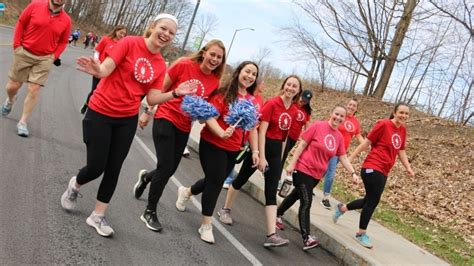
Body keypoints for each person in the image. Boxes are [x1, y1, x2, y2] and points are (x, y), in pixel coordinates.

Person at [60, 14, 194, 237]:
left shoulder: (161, 64)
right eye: (163, 28)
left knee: (114, 168)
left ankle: (98, 216)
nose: (166, 34)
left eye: (171, 33)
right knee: (96, 167)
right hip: (100, 112)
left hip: (127, 119)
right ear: (152, 27)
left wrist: (175, 93)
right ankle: (75, 184)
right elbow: (105, 69)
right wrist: (97, 70)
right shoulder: (130, 43)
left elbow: (151, 99)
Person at [132, 39, 226, 232]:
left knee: (169, 169)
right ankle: (149, 211)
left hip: (184, 126)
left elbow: (203, 116)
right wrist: (147, 111)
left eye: (219, 57)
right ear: (204, 52)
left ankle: (147, 178)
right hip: (165, 117)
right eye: (212, 54)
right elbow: (160, 88)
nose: (214, 59)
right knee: (166, 167)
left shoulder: (215, 82)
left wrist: (206, 116)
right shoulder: (184, 64)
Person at [175, 61, 260, 244]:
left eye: (254, 74)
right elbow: (210, 116)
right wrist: (221, 132)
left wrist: (256, 151)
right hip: (213, 143)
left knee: (216, 179)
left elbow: (253, 128)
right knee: (215, 182)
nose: (250, 76)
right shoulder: (224, 93)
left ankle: (187, 192)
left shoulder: (254, 100)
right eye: (247, 71)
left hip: (233, 148)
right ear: (239, 72)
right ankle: (206, 224)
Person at [217, 75, 302, 248]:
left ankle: (271, 235)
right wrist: (261, 156)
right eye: (288, 84)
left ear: (298, 91)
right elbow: (261, 131)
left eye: (294, 86)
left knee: (271, 193)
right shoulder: (272, 103)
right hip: (261, 149)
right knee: (241, 179)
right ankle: (225, 209)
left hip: (276, 153)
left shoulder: (294, 110)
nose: (291, 88)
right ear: (284, 85)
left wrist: (282, 159)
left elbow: (285, 137)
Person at [276, 105, 359, 250]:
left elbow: (343, 157)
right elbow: (302, 145)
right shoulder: (317, 126)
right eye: (336, 114)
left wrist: (353, 173)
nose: (338, 118)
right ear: (331, 113)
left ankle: (277, 213)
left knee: (296, 195)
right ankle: (306, 237)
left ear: (344, 119)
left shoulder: (339, 137)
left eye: (341, 116)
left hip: (316, 175)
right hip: (303, 169)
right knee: (306, 202)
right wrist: (291, 164)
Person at [333, 102, 414, 249]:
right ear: (394, 112)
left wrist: (408, 167)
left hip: (384, 170)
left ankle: (343, 208)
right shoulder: (383, 124)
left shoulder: (402, 130)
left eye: (406, 113)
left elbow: (401, 150)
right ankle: (360, 233)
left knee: (369, 200)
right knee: (373, 201)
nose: (404, 116)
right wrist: (350, 158)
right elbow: (366, 143)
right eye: (401, 112)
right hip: (372, 166)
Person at [1, 0, 71, 137]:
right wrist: (17, 45)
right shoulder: (35, 5)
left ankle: (23, 122)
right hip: (24, 52)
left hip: (44, 59)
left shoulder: (66, 20)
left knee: (34, 89)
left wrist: (54, 56)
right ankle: (10, 100)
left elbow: (63, 41)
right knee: (12, 86)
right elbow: (21, 22)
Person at [320, 98, 365, 209]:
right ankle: (325, 198)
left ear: (356, 109)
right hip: (331, 147)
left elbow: (359, 136)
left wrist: (367, 145)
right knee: (330, 172)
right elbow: (328, 126)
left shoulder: (355, 122)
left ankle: (309, 185)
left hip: (342, 152)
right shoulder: (340, 116)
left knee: (324, 170)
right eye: (349, 104)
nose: (351, 107)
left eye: (354, 106)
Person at [222, 78, 266, 189]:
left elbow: (258, 116)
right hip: (234, 134)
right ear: (257, 84)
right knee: (220, 172)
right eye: (262, 84)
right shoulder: (247, 97)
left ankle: (227, 177)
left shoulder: (260, 99)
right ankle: (228, 178)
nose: (264, 86)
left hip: (249, 135)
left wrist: (255, 150)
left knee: (237, 158)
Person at [80, 25, 127, 114]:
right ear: (116, 31)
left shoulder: (122, 45)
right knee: (95, 90)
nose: (122, 35)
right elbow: (97, 51)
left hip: (111, 73)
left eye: (124, 34)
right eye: (121, 33)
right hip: (99, 69)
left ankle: (97, 110)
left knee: (104, 93)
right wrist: (97, 62)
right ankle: (87, 105)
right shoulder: (106, 39)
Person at [279, 89, 313, 185]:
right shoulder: (292, 104)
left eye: (306, 101)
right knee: (282, 155)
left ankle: (273, 173)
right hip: (284, 134)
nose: (303, 102)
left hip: (293, 138)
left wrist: (306, 140)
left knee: (283, 156)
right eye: (303, 99)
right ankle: (276, 178)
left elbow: (307, 127)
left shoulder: (306, 111)